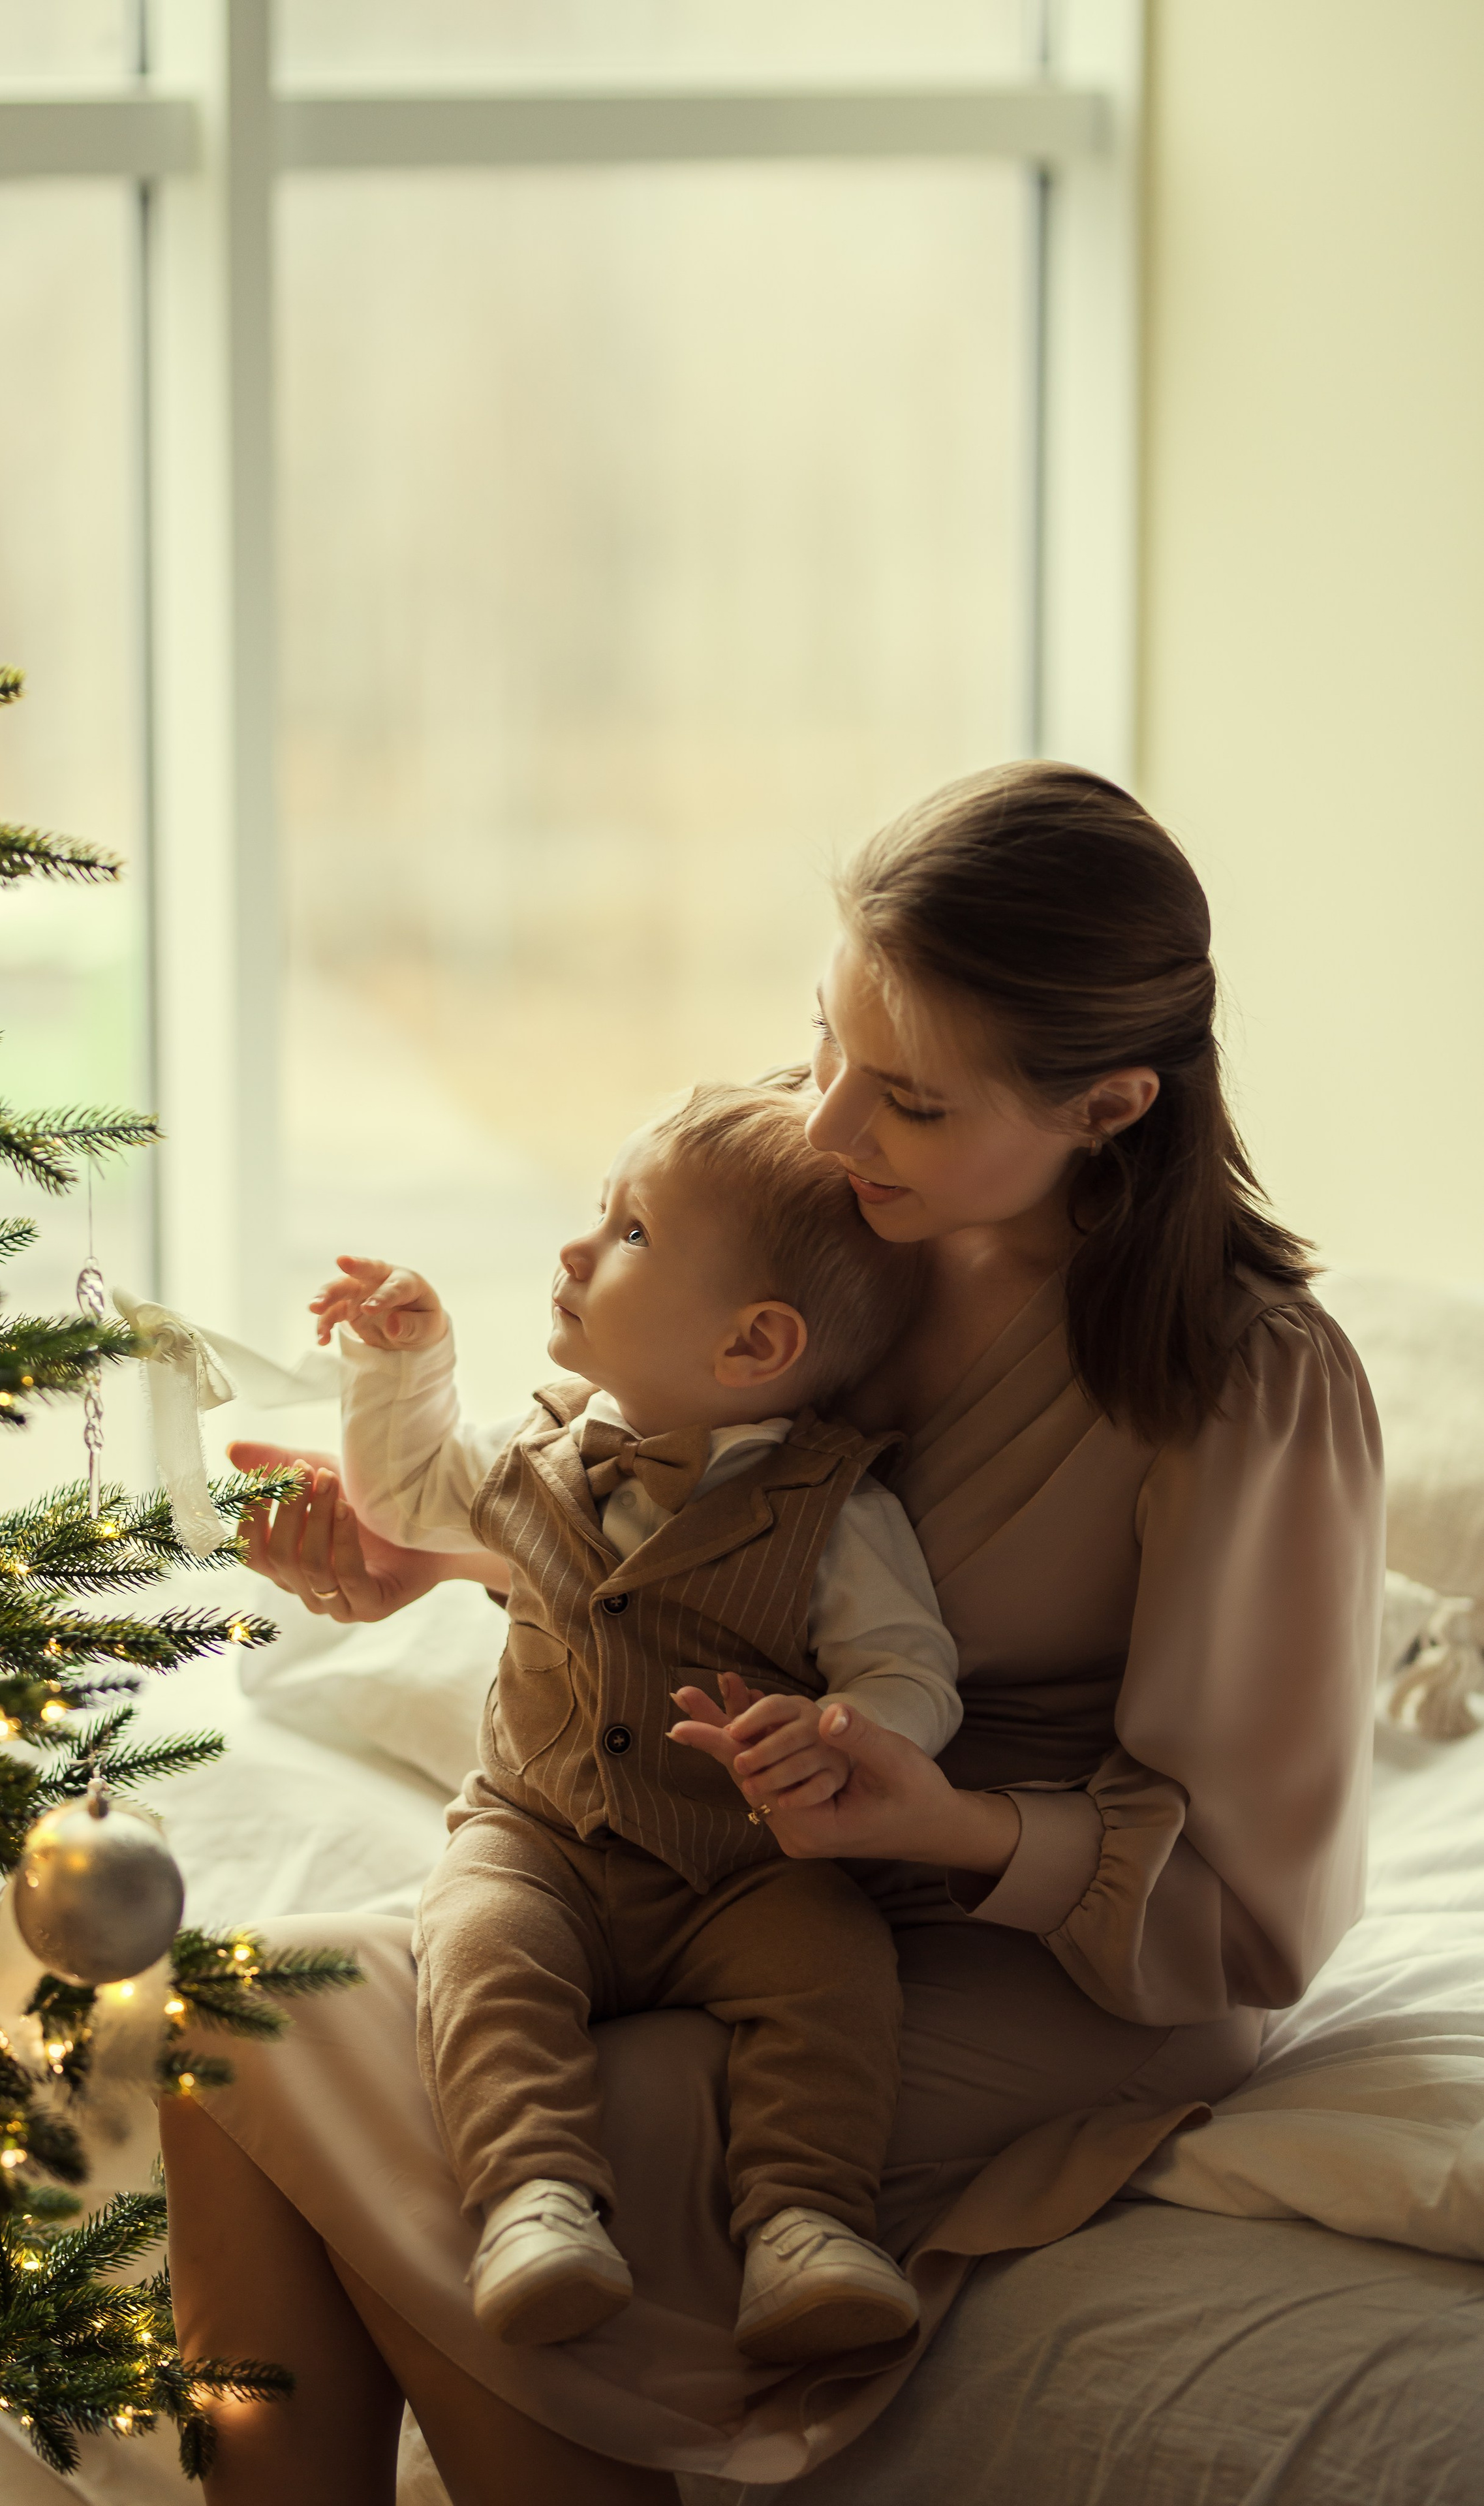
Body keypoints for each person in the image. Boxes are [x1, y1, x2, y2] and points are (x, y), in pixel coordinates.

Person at [161, 762, 1384, 2506]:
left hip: (1042, 1958)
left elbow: (1246, 1908)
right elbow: (664, 1497)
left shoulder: (1242, 1380)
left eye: (909, 1100)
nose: (825, 1123)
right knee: (226, 2025)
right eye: (825, 1041)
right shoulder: (831, 1207)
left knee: (475, 2154)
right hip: (697, 1852)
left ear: (1108, 1106)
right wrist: (432, 1561)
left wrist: (939, 1824)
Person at [316, 1082, 962, 2364]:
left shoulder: (835, 1510)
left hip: (739, 1863)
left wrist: (835, 1730)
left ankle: (805, 2224)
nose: (574, 1248)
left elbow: (911, 1674)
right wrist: (405, 1362)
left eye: (629, 1233)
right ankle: (535, 2200)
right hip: (540, 1835)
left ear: (752, 1345)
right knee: (477, 1943)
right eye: (599, 1213)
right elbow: (405, 1494)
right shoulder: (538, 1452)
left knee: (836, 1968)